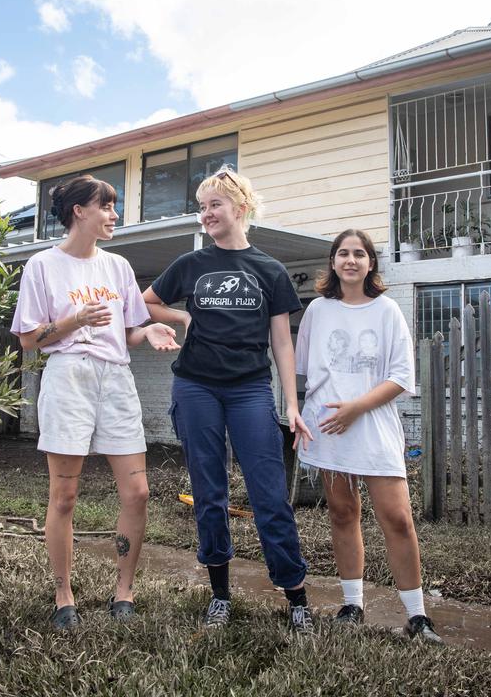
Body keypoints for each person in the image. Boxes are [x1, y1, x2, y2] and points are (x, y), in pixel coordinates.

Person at [143, 164, 315, 632]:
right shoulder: (191, 265)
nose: (205, 215)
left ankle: (295, 595)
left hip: (249, 389)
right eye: (201, 208)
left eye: (213, 205)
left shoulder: (269, 270)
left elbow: (282, 342)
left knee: (268, 491)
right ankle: (220, 593)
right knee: (209, 490)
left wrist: (291, 405)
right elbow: (146, 301)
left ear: (240, 208)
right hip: (196, 386)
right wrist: (182, 319)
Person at [10, 174, 179, 631]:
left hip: (115, 379)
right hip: (68, 378)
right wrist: (74, 320)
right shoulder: (42, 266)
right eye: (106, 206)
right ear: (79, 211)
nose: (114, 214)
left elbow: (128, 332)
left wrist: (149, 331)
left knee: (137, 491)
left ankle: (124, 591)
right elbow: (29, 340)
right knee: (64, 495)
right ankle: (64, 595)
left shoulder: (119, 268)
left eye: (114, 206)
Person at [294, 227, 443, 643]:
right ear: (333, 261)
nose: (351, 260)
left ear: (371, 263)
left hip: (373, 425)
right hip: (329, 427)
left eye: (359, 253)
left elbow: (401, 378)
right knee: (343, 514)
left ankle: (417, 615)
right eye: (343, 253)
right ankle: (352, 604)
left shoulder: (387, 311)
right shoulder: (317, 312)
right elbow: (309, 372)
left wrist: (357, 407)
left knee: (397, 518)